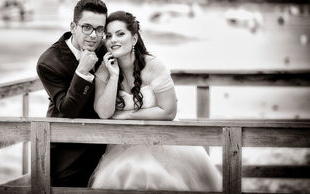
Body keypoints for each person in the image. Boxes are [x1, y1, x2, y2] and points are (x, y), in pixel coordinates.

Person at [89, 11, 222, 191]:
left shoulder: (154, 66)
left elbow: (168, 111)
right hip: (124, 145)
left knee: (155, 177)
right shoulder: (104, 70)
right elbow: (104, 113)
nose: (113, 40)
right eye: (109, 35)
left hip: (163, 141)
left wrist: (128, 116)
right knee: (121, 176)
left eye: (120, 34)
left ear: (134, 39)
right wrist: (113, 76)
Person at [36, 0, 107, 187]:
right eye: (86, 27)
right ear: (73, 26)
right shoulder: (49, 62)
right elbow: (68, 110)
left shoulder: (105, 49)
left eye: (99, 29)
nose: (93, 35)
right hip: (68, 152)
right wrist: (82, 72)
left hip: (106, 146)